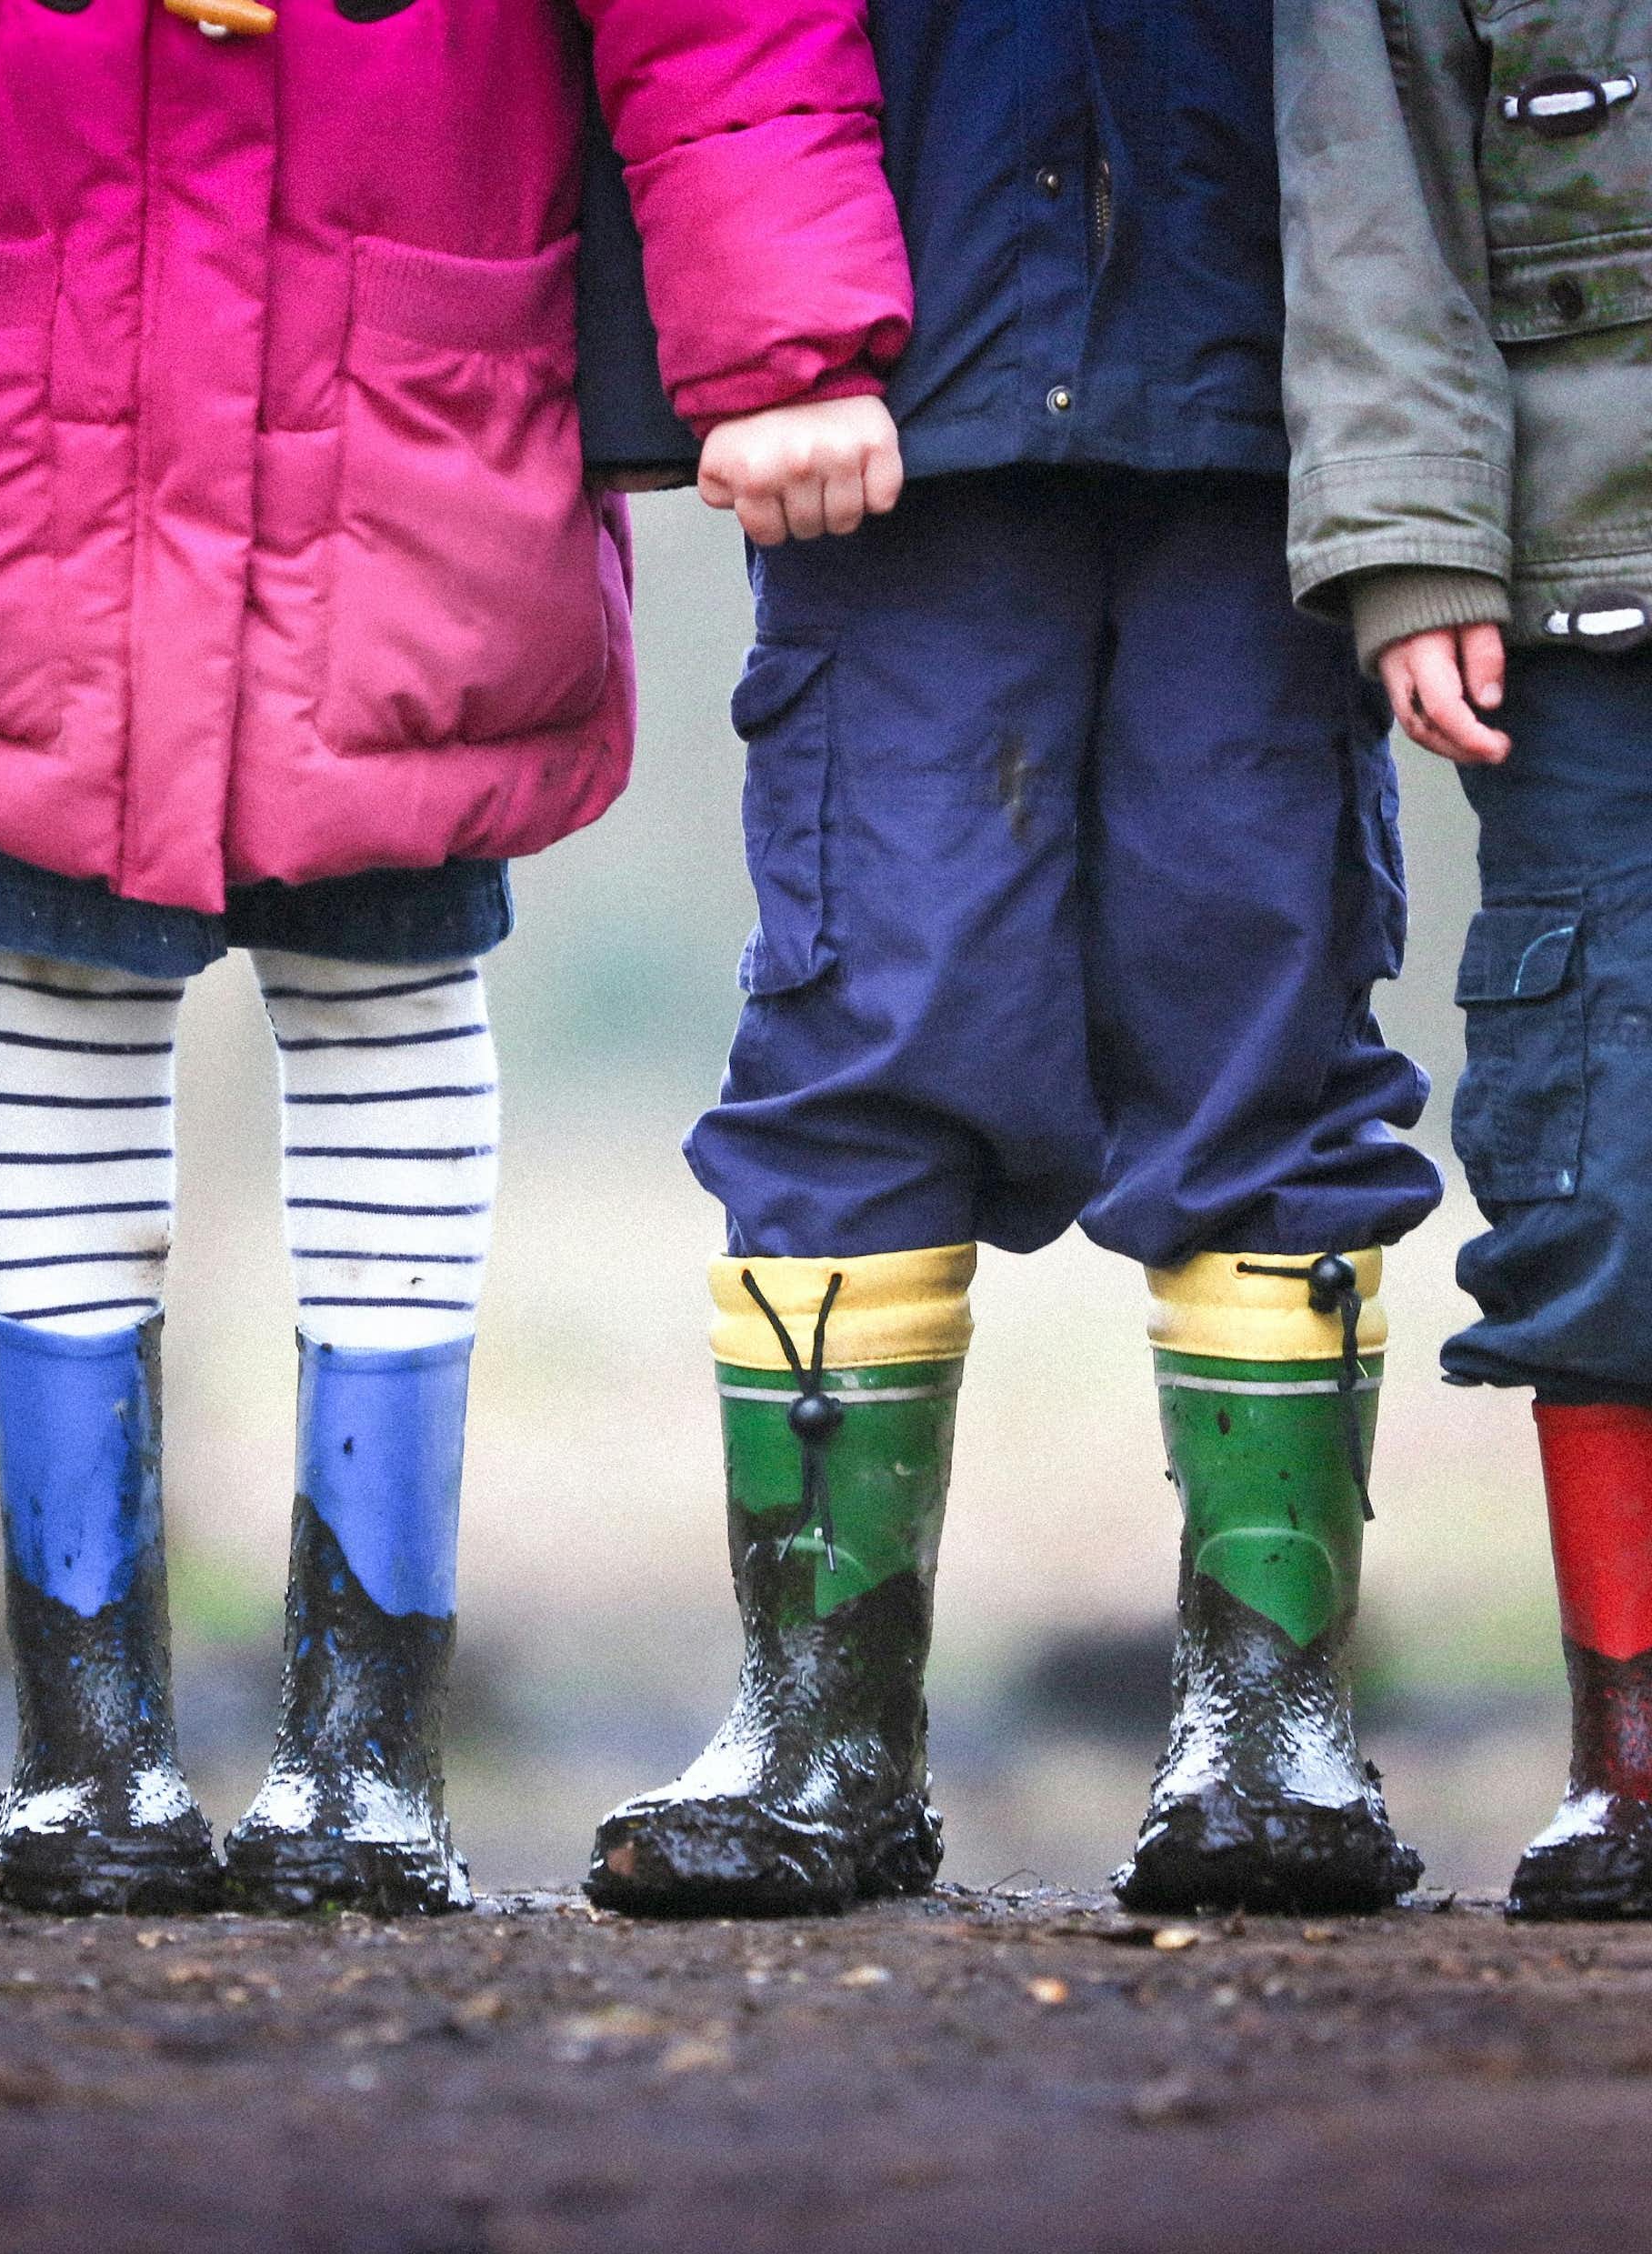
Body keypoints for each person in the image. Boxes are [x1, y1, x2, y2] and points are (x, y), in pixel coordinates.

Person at [0, 0, 913, 1917]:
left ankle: (366, 1747)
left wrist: (779, 335)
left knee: (380, 1004)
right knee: (54, 987)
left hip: (397, 411)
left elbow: (726, 31)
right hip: (16, 402)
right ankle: (84, 1744)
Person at [588, 0, 1447, 1921]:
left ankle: (1265, 1707)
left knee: (1270, 1026)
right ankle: (819, 1718)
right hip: (885, 393)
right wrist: (758, 328)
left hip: (1283, 384)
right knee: (864, 1023)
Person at [1278, 0, 1652, 1918]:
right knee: (1594, 1162)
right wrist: (1415, 551)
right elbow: (1377, 219)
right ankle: (1628, 1752)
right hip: (1587, 617)